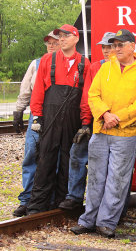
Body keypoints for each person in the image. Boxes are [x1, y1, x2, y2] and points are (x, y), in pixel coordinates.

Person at [70, 29, 136, 238]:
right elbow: (93, 94)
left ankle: (106, 222)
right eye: (114, 45)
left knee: (117, 179)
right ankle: (88, 220)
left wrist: (118, 117)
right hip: (101, 130)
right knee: (96, 177)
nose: (116, 49)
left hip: (125, 134)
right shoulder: (105, 68)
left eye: (120, 45)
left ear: (132, 46)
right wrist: (105, 114)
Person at [26, 24, 91, 215]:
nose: (61, 39)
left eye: (65, 36)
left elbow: (86, 96)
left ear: (76, 38)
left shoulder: (84, 64)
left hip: (72, 119)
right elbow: (38, 91)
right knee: (45, 159)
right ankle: (37, 206)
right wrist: (37, 117)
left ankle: (62, 204)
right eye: (59, 36)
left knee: (68, 160)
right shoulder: (48, 60)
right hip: (50, 117)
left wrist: (85, 122)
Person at [58, 32, 115, 210]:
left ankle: (107, 203)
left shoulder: (124, 68)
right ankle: (74, 197)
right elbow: (87, 95)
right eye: (103, 47)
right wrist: (85, 122)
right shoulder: (95, 67)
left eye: (110, 47)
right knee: (77, 153)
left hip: (115, 122)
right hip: (94, 120)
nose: (106, 50)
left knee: (108, 164)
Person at [12, 31, 60, 217]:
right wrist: (18, 110)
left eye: (55, 42)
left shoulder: (66, 64)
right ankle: (27, 199)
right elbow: (25, 90)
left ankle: (50, 197)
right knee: (31, 155)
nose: (50, 45)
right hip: (36, 115)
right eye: (48, 42)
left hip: (56, 116)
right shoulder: (36, 64)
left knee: (53, 157)